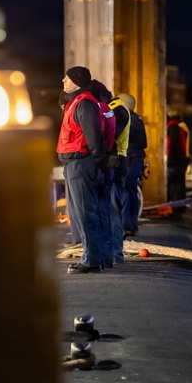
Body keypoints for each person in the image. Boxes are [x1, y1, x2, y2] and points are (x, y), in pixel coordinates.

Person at [57, 66, 108, 274]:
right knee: (83, 212)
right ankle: (93, 257)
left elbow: (94, 137)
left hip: (81, 164)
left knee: (86, 213)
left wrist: (97, 161)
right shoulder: (77, 103)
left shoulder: (84, 104)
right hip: (76, 164)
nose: (63, 81)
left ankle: (91, 260)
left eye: (67, 78)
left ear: (77, 81)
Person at [88, 80, 119, 268]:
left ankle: (97, 256)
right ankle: (107, 256)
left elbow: (95, 135)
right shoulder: (109, 109)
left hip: (97, 163)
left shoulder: (97, 108)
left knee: (94, 212)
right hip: (107, 162)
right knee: (105, 211)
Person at [105, 91, 132, 263]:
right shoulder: (116, 108)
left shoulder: (118, 109)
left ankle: (116, 254)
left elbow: (113, 134)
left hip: (115, 161)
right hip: (115, 160)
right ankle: (112, 253)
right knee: (111, 207)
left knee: (113, 208)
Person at [118, 93, 147, 235]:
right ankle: (131, 225)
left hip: (129, 160)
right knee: (131, 191)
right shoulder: (137, 119)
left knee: (124, 191)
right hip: (135, 160)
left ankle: (124, 226)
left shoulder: (128, 119)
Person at [166, 113, 190, 201]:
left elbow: (173, 143)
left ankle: (174, 206)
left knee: (173, 183)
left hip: (175, 159)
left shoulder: (172, 126)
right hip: (181, 157)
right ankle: (179, 205)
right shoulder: (180, 125)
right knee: (179, 184)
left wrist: (170, 158)